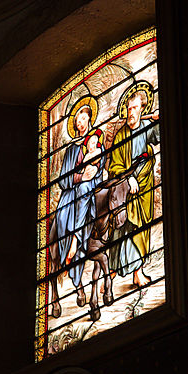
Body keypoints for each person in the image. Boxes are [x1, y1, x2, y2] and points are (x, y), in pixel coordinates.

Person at [108, 84, 159, 287]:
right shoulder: (121, 135)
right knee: (122, 228)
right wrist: (128, 179)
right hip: (125, 189)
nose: (132, 112)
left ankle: (137, 272)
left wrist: (158, 119)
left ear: (142, 109)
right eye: (129, 109)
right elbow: (114, 165)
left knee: (141, 227)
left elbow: (160, 135)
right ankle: (114, 274)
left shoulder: (147, 128)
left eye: (136, 108)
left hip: (144, 187)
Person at [54, 96, 105, 288]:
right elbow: (63, 179)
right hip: (72, 191)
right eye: (77, 121)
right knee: (61, 215)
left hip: (90, 189)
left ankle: (75, 241)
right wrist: (79, 178)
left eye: (82, 119)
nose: (80, 123)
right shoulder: (72, 149)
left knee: (85, 190)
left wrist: (90, 175)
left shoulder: (96, 143)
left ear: (89, 119)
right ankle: (70, 246)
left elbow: (99, 169)